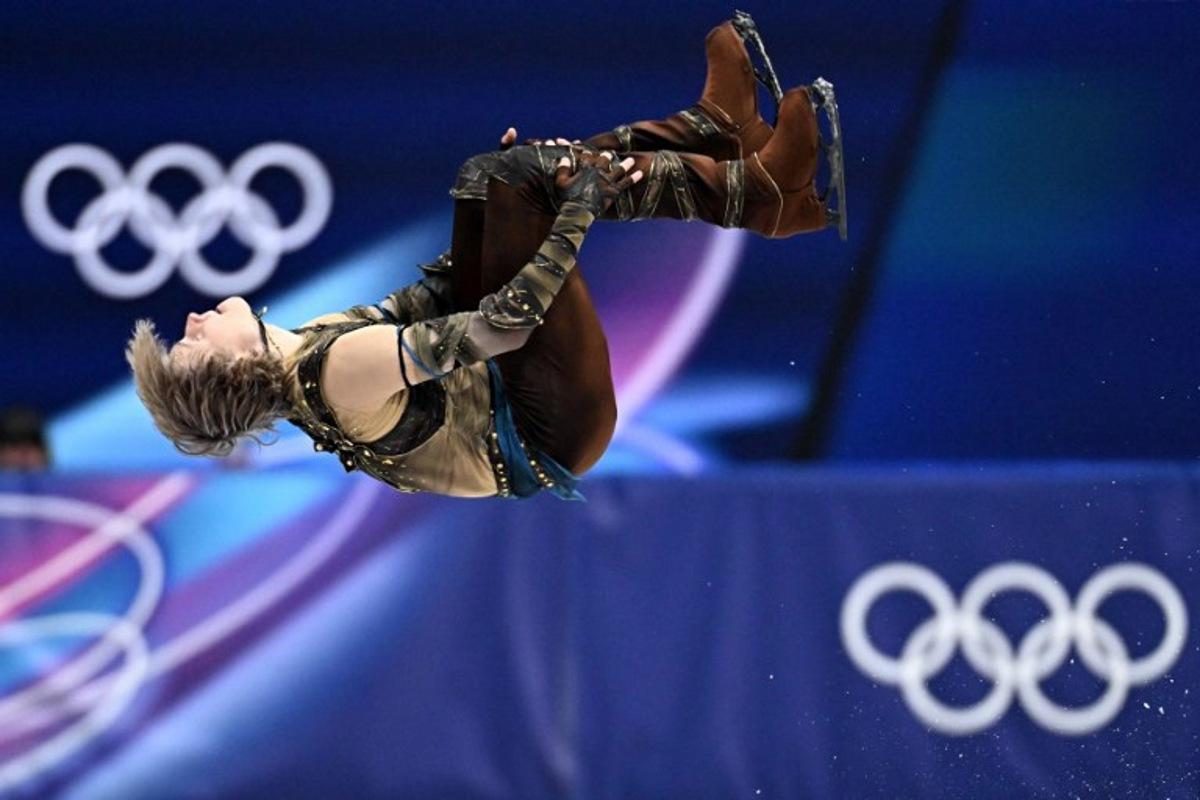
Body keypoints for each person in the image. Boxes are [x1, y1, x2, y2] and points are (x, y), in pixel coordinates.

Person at [126, 12, 846, 500]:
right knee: (533, 187)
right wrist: (572, 214)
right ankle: (752, 191)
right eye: (192, 344)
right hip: (549, 424)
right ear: (230, 370)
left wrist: (506, 215)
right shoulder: (333, 372)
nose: (191, 318)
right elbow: (504, 326)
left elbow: (437, 301)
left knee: (496, 178)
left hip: (512, 390)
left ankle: (716, 134)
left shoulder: (306, 353)